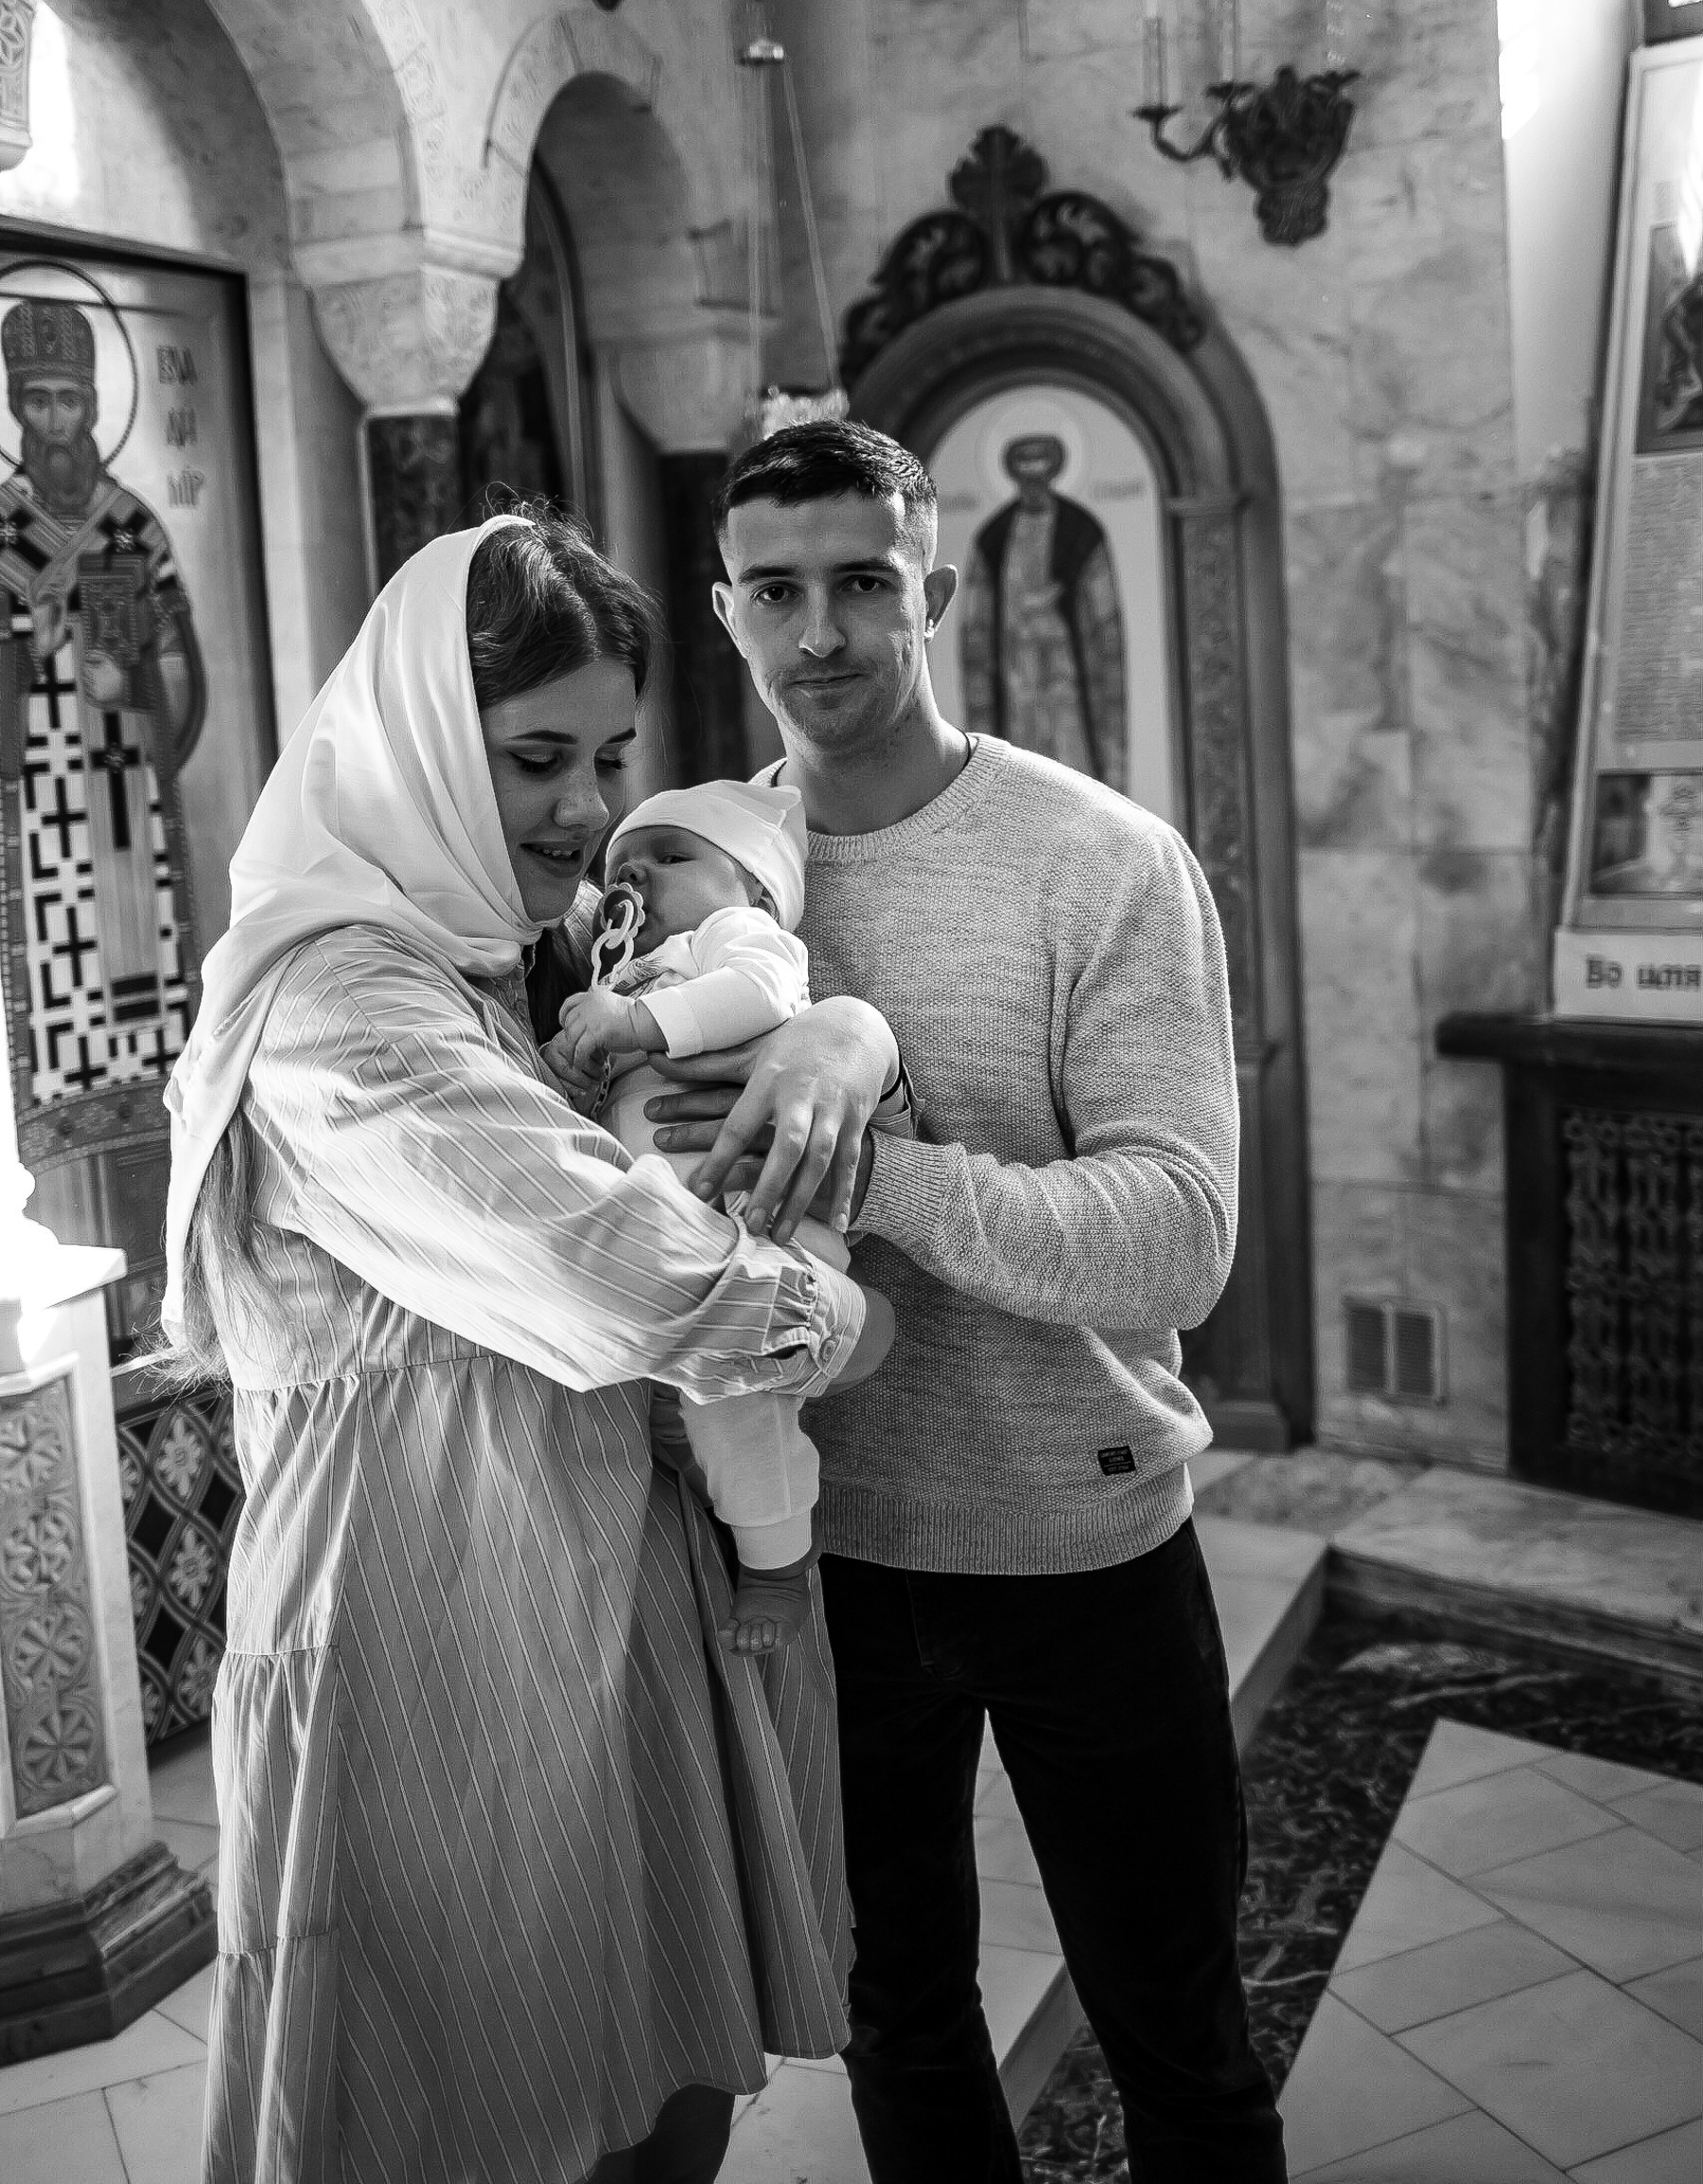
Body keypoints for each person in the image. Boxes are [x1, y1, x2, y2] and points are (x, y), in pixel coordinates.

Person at [162, 509, 901, 2184]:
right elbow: (626, 1279)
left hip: (576, 1590)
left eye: (611, 756)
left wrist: (845, 1032)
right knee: (465, 2112)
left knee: (644, 2097)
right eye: (535, 758)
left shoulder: (487, 961)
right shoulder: (346, 1011)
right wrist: (846, 1323)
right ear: (420, 748)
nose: (586, 809)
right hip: (427, 1621)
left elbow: (759, 995)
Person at [651, 421, 1286, 2182]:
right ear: (726, 611)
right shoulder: (700, 874)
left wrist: (870, 1172)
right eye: (776, 592)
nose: (821, 633)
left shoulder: (1101, 863)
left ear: (932, 595)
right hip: (821, 1554)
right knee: (902, 2026)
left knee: (1181, 2039)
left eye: (864, 583)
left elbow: (1178, 1240)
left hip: (1082, 1536)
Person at [547, 777, 863, 1657]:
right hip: (672, 1238)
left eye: (671, 855)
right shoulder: (626, 971)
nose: (637, 877)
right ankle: (732, 1520)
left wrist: (634, 1020)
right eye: (622, 866)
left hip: (753, 1227)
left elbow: (764, 993)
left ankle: (776, 1563)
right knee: (680, 1416)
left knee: (737, 1407)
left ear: (754, 889)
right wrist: (573, 1061)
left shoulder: (736, 938)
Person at [1, 292, 206, 1343]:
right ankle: (92, 1310)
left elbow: (183, 679)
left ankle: (172, 1296)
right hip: (39, 841)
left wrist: (133, 687)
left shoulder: (132, 525)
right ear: (15, 407)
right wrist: (28, 653)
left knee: (153, 1037)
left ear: (91, 406)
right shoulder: (2, 533)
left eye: (69, 400)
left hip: (132, 835)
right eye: (35, 400)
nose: (54, 421)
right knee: (60, 1042)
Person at [957, 427, 1127, 792]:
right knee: (1022, 763)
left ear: (1053, 473)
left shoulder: (1080, 532)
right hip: (1016, 673)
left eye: (1040, 472)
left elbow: (1104, 623)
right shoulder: (994, 536)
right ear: (1014, 477)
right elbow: (977, 627)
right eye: (1025, 474)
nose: (1033, 484)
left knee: (1072, 757)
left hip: (1066, 674)